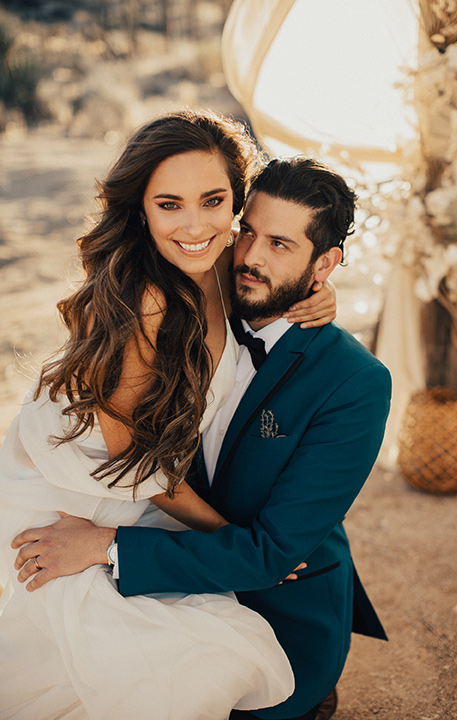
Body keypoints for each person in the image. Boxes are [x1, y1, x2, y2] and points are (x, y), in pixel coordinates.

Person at [12, 156, 392, 720]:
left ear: (326, 263)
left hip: (272, 606)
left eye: (281, 245)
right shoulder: (188, 299)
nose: (252, 259)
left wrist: (104, 545)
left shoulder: (354, 384)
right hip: (164, 553)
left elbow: (268, 555)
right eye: (249, 233)